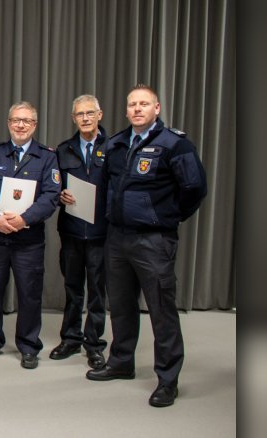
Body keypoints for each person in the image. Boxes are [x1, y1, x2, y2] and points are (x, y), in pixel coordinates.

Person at [87, 84, 207, 408]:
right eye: (132, 104)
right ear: (126, 111)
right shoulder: (116, 144)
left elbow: (194, 187)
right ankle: (121, 362)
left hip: (153, 240)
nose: (137, 109)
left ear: (157, 109)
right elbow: (108, 187)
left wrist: (168, 216)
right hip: (118, 238)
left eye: (144, 104)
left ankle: (168, 380)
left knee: (161, 310)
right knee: (122, 305)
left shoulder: (175, 144)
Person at [0, 101, 60, 370]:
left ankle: (28, 345)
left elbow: (51, 196)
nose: (20, 125)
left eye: (26, 121)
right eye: (15, 120)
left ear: (34, 125)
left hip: (29, 241)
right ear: (8, 123)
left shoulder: (47, 157)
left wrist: (25, 219)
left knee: (29, 294)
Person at [50, 95, 109, 369]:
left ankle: (94, 344)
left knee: (97, 290)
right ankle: (71, 338)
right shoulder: (63, 150)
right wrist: (59, 194)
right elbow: (52, 186)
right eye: (79, 114)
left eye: (90, 113)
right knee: (73, 288)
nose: (85, 118)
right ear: (73, 118)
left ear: (100, 115)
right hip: (72, 230)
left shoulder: (115, 148)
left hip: (101, 233)